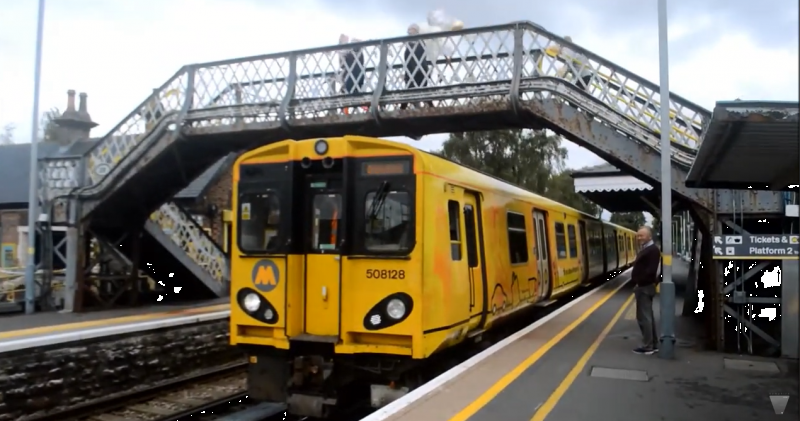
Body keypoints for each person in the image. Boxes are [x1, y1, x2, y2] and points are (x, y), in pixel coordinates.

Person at [631, 225, 661, 355]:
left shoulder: (652, 250)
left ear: (649, 236)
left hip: (645, 287)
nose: (639, 238)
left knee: (644, 317)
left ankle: (648, 346)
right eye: (638, 235)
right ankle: (652, 344)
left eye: (641, 235)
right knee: (646, 316)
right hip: (644, 286)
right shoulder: (648, 249)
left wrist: (641, 282)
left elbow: (650, 270)